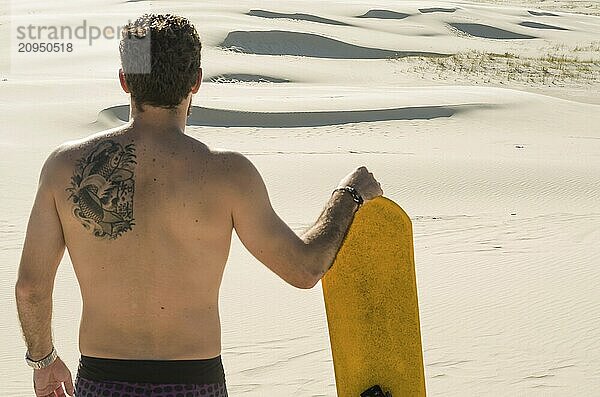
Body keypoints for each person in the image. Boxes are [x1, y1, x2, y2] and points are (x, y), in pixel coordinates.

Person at [14, 13, 383, 397]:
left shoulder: (64, 167)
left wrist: (43, 361)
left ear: (125, 81)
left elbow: (30, 288)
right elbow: (304, 269)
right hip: (195, 383)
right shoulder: (229, 175)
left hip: (103, 381)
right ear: (196, 81)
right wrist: (349, 195)